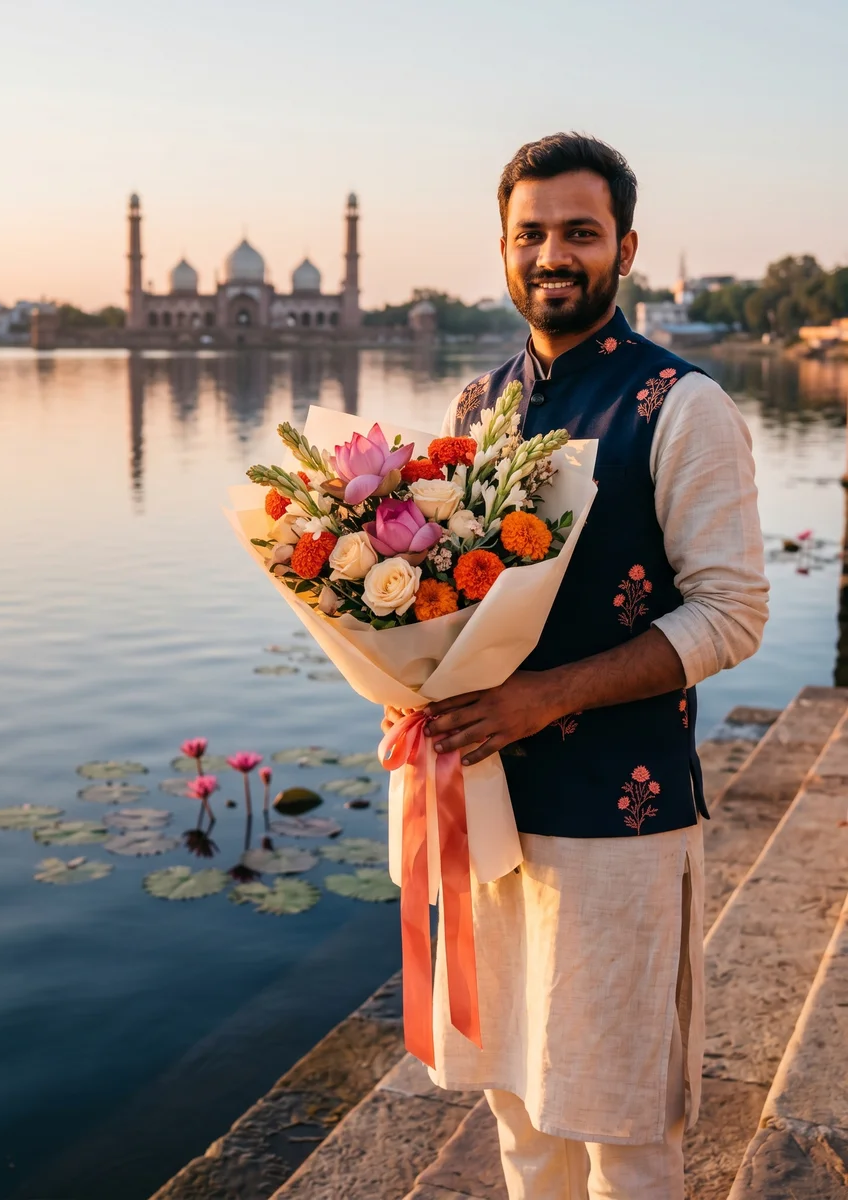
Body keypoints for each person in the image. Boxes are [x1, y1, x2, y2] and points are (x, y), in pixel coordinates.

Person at [419, 133, 769, 1198]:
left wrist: (545, 696)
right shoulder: (476, 410)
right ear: (502, 248)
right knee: (521, 1110)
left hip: (620, 822)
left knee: (620, 1125)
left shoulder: (682, 404)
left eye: (579, 232)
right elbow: (437, 606)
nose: (552, 255)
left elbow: (733, 615)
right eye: (531, 234)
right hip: (487, 810)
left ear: (625, 249)